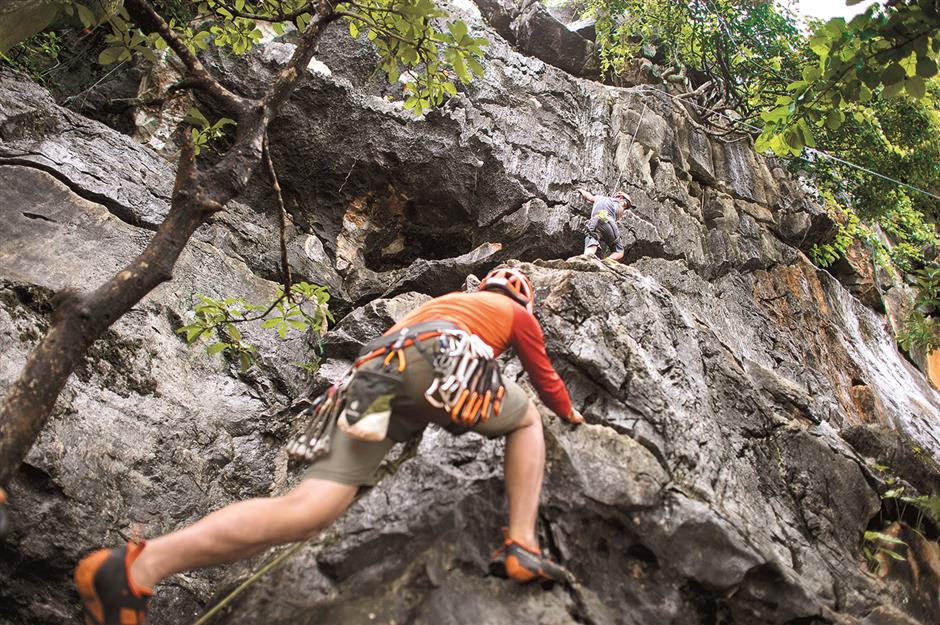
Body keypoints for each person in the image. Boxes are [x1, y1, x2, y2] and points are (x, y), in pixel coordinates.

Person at [75, 267, 584, 625]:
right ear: (523, 301)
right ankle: (521, 544)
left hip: (371, 376)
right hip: (439, 358)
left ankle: (136, 567)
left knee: (306, 511)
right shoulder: (513, 312)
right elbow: (544, 376)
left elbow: (411, 373)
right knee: (525, 425)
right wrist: (568, 412)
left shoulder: (441, 304)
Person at [577, 188, 631, 262]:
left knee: (592, 236)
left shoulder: (599, 197)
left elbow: (588, 196)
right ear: (622, 198)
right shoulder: (621, 203)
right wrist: (623, 195)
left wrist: (581, 190)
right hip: (606, 219)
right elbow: (627, 203)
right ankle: (605, 261)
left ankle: (588, 256)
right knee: (619, 252)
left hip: (594, 220)